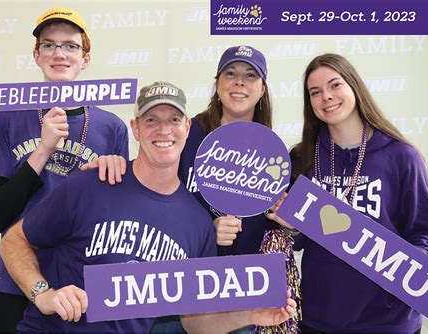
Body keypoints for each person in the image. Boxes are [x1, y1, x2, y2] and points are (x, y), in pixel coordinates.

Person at [0, 81, 297, 333]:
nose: (163, 130)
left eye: (173, 119)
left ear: (186, 127)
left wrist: (249, 316)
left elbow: (193, 320)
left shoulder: (197, 223)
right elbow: (15, 240)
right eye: (151, 120)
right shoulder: (92, 183)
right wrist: (43, 295)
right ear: (136, 129)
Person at [89, 45, 302, 333]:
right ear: (218, 84)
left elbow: (287, 226)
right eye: (231, 73)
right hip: (178, 289)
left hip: (237, 294)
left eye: (251, 75)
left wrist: (292, 225)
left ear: (263, 89)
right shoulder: (186, 134)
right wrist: (112, 163)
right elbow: (148, 186)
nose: (240, 81)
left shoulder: (273, 152)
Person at [0, 7, 129, 333]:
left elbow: (119, 222)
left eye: (70, 46)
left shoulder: (112, 127)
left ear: (85, 58)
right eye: (49, 45)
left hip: (81, 289)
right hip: (15, 283)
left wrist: (107, 179)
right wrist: (43, 149)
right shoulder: (7, 117)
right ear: (36, 55)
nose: (59, 53)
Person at [271, 53, 428, 333]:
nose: (326, 97)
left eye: (335, 85)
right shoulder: (302, 158)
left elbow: (426, 231)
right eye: (315, 92)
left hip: (388, 321)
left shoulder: (402, 157)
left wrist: (400, 271)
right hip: (319, 319)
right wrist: (293, 229)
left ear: (354, 87)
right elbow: (295, 242)